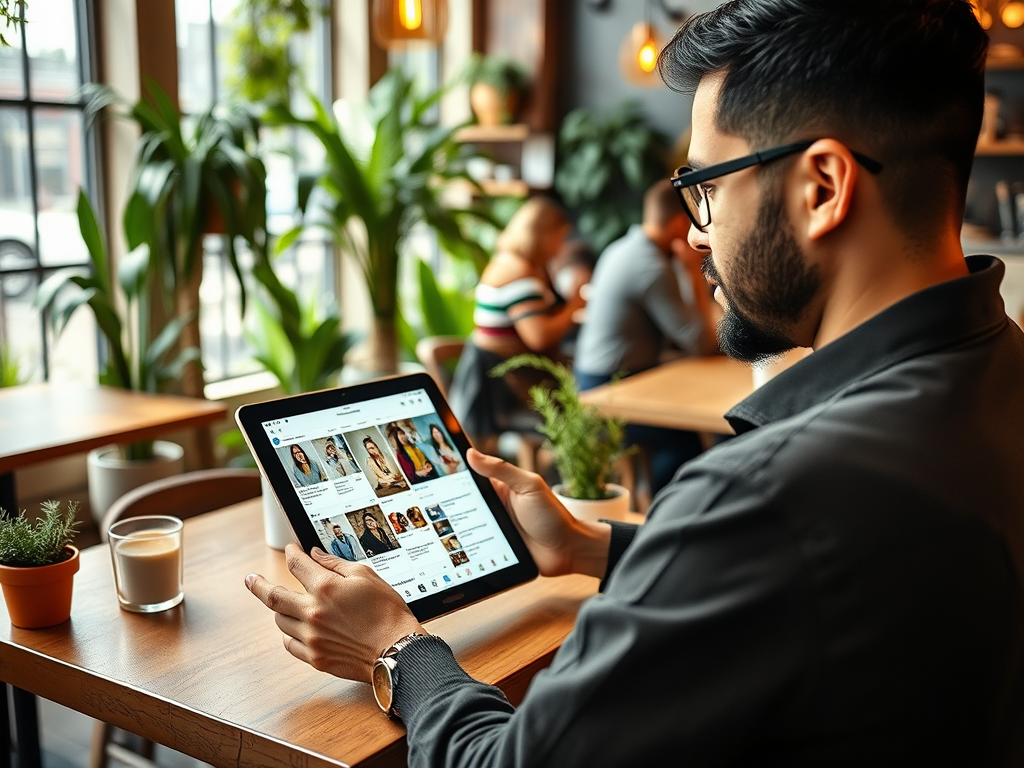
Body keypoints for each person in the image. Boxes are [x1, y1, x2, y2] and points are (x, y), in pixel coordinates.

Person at [245, 2, 1024, 765]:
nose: (694, 229)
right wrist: (592, 545)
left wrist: (396, 645)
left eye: (708, 185)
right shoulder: (999, 373)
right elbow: (817, 571)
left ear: (821, 187)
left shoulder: (766, 495)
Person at [574, 179, 721, 495]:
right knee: (687, 442)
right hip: (608, 392)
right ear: (681, 221)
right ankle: (666, 520)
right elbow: (701, 343)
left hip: (601, 378)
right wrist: (693, 270)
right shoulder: (650, 267)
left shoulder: (624, 248)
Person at [448, 197, 585, 441]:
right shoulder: (519, 276)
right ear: (543, 235)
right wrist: (574, 306)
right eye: (559, 238)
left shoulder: (505, 262)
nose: (560, 247)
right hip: (510, 385)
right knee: (588, 395)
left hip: (497, 376)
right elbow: (539, 337)